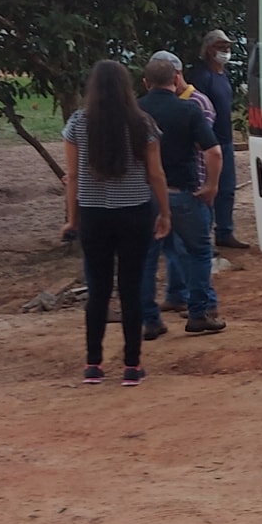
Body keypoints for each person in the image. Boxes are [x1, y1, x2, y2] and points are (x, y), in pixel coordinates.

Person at [62, 60, 171, 386]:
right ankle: (131, 366)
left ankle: (93, 364)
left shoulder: (78, 123)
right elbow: (155, 174)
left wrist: (72, 219)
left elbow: (72, 176)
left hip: (94, 214)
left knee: (98, 289)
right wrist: (165, 212)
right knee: (131, 288)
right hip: (134, 212)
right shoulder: (142, 123)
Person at [138, 54, 224, 339]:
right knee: (199, 253)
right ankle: (199, 313)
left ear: (145, 82)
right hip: (184, 194)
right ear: (175, 79)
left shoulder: (135, 112)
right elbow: (213, 151)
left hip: (145, 197)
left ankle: (150, 320)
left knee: (146, 258)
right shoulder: (188, 110)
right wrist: (211, 186)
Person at [187, 30, 247, 250]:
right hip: (209, 142)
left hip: (226, 140)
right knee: (208, 188)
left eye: (228, 46)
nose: (225, 50)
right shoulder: (203, 77)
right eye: (221, 46)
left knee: (227, 188)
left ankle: (225, 231)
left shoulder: (223, 74)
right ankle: (205, 234)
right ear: (209, 49)